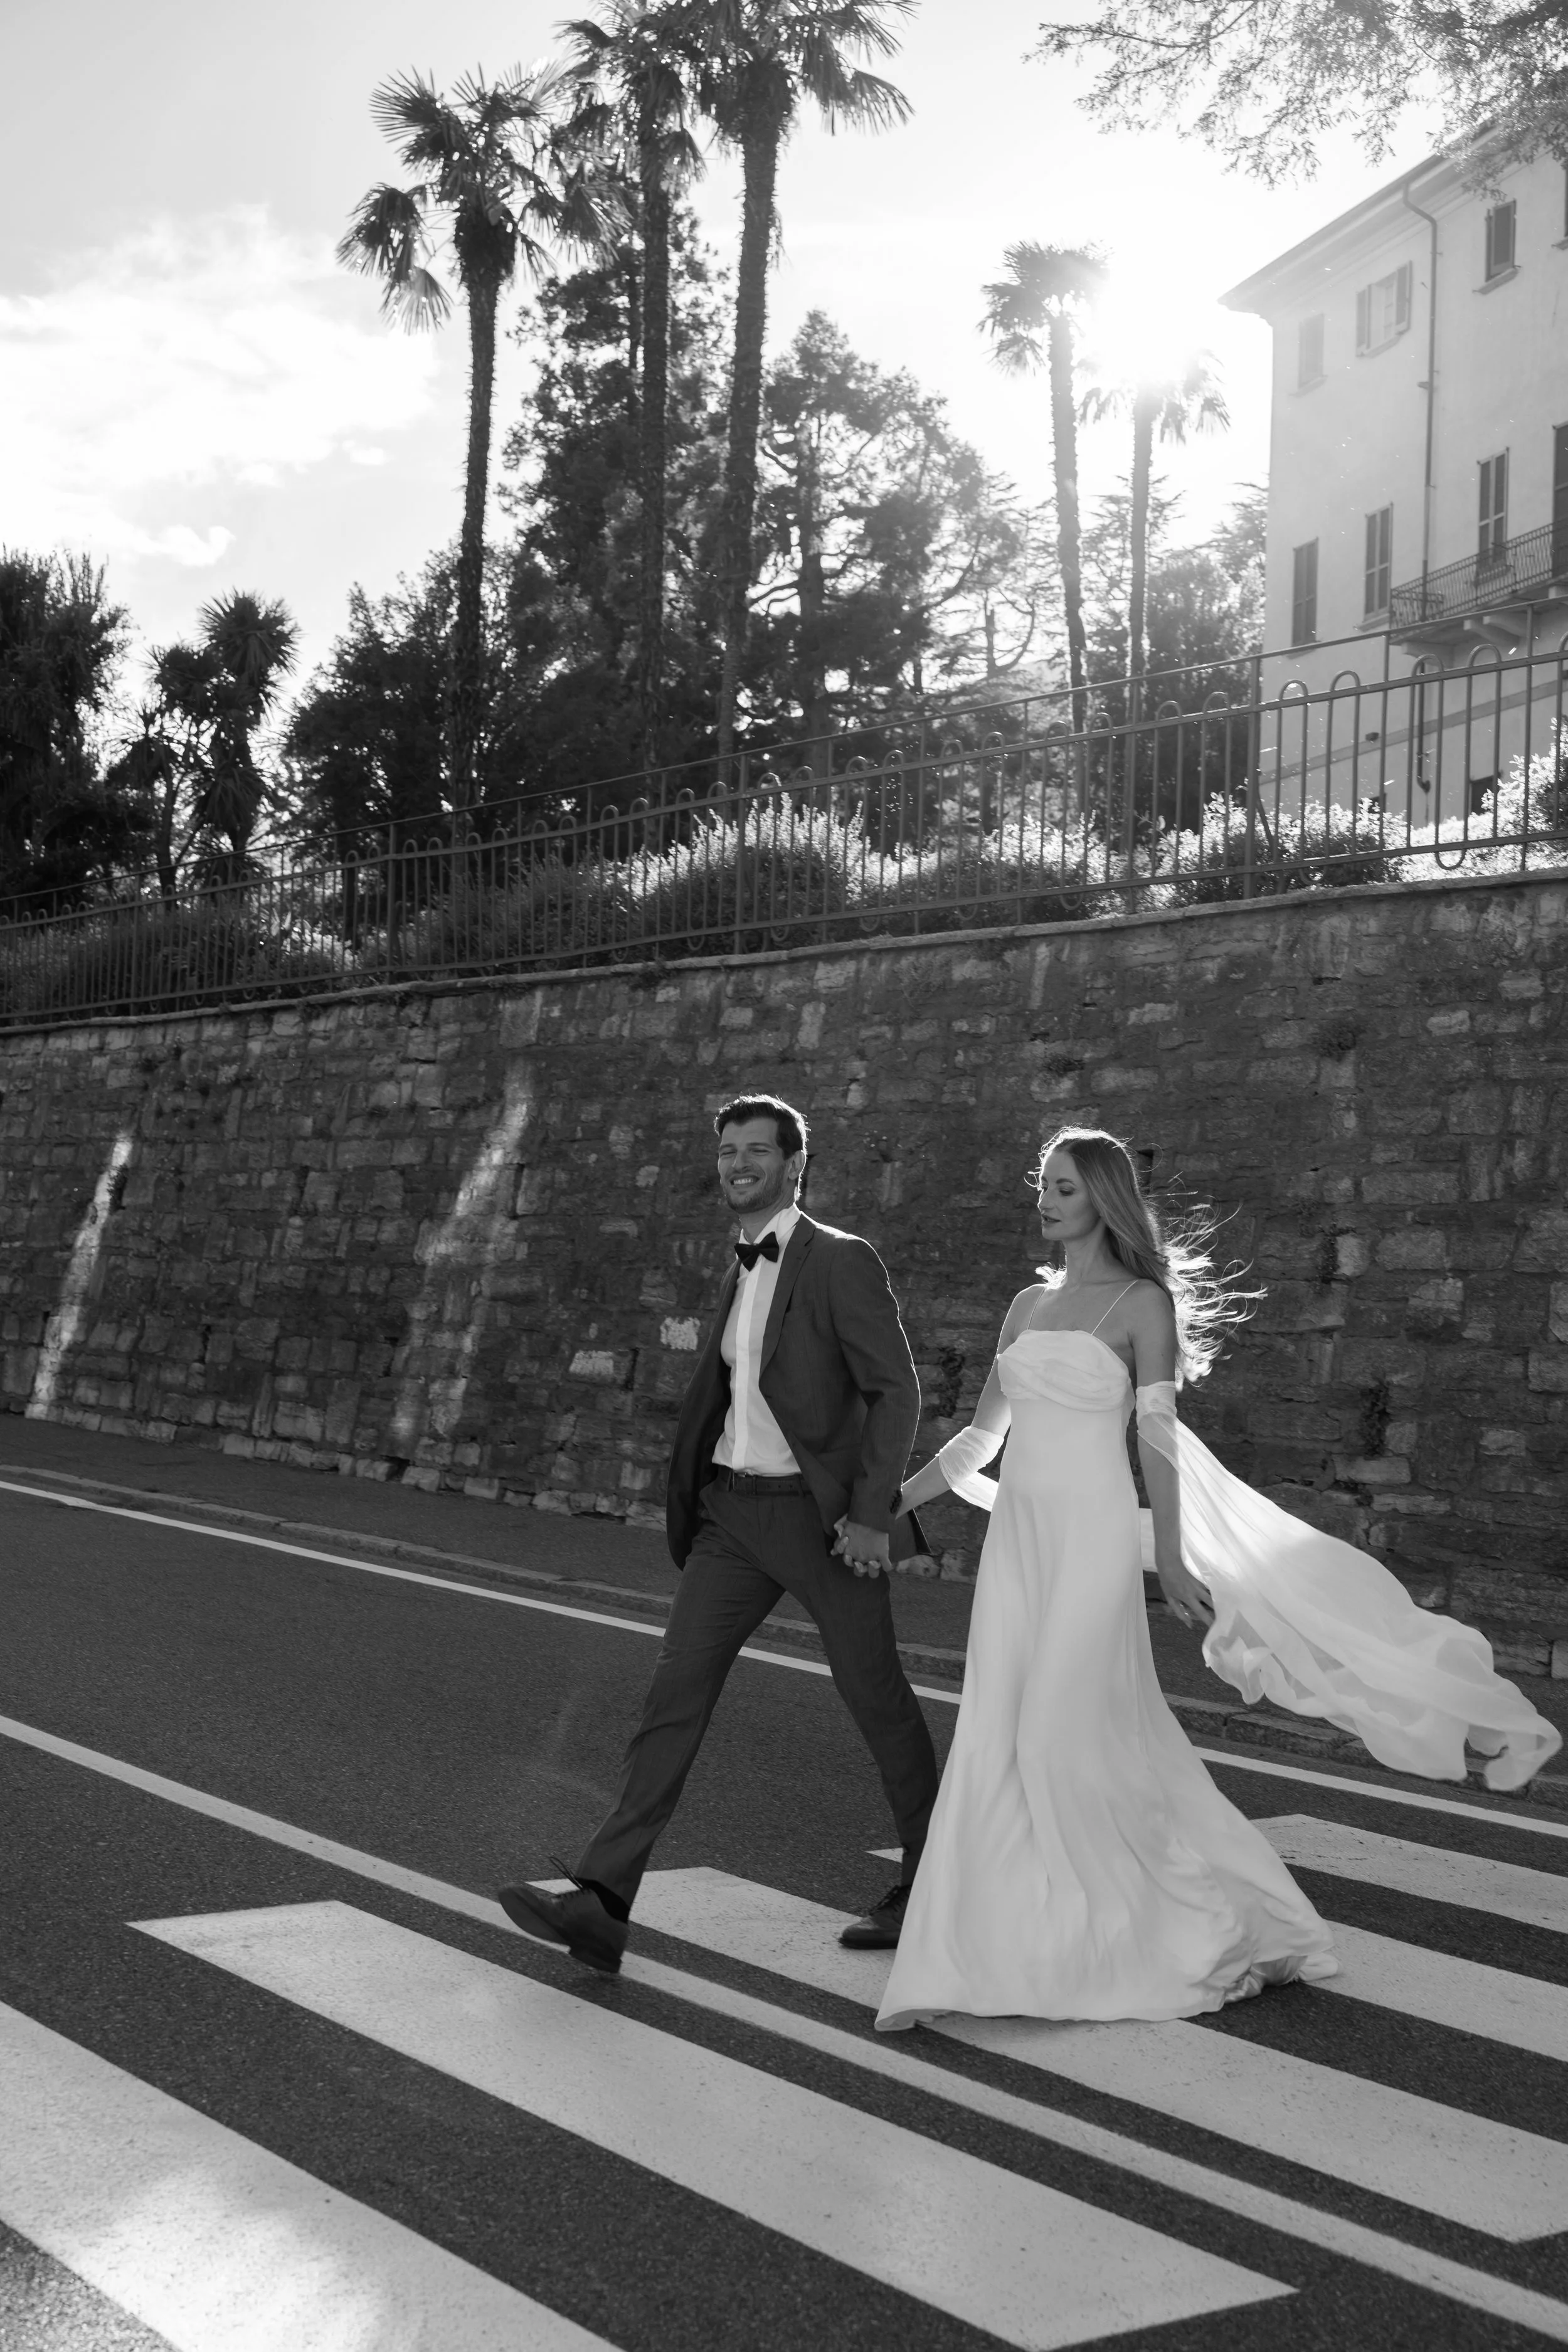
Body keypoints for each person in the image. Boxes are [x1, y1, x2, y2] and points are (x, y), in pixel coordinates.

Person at [877, 1124, 1561, 2033]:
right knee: (1005, 1737)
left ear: (1105, 1199)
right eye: (1043, 1184)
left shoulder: (1140, 1305)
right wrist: (888, 1502)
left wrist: (1177, 1555)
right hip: (1018, 1553)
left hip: (1091, 1546)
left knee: (1055, 1739)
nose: (1047, 1200)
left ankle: (1160, 1931)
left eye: (1067, 1188)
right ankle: (1018, 1944)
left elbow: (1156, 1442)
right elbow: (980, 1440)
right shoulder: (1023, 1308)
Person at [499, 1091, 940, 1976]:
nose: (739, 1162)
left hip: (822, 1523)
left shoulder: (840, 1260)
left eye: (757, 1150)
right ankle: (605, 1900)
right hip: (733, 1521)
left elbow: (897, 1390)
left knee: (877, 1700)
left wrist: (869, 1513)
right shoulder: (739, 1265)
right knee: (673, 1700)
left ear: (794, 1164)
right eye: (729, 1149)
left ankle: (937, 1882)